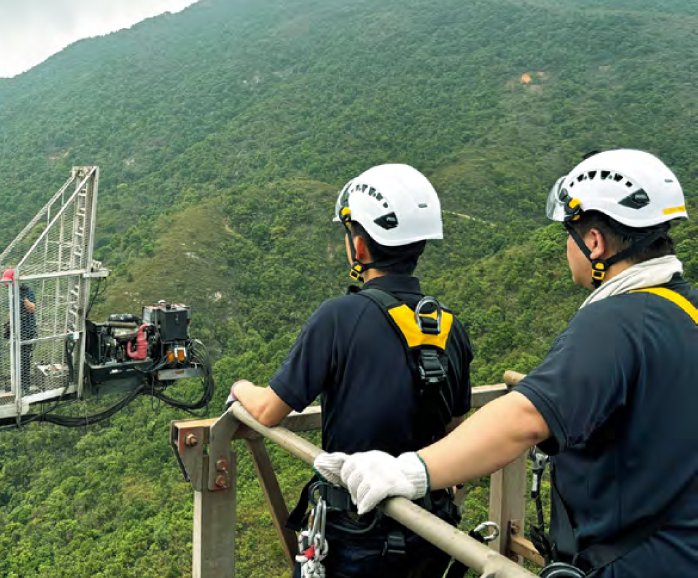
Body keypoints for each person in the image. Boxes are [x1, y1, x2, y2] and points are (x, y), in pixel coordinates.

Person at [315, 149, 698, 578]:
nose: (567, 248)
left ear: (594, 243)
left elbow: (526, 416)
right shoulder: (685, 307)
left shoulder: (617, 321)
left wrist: (408, 471)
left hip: (639, 563)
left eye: (568, 235)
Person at [230, 164, 474, 578]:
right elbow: (454, 425)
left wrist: (241, 387)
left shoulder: (339, 317)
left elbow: (270, 411)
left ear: (358, 247)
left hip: (356, 532)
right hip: (430, 529)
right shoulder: (449, 326)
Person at [1, 269, 38, 393]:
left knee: (24, 359)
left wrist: (25, 300)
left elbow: (33, 308)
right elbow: (11, 310)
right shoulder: (11, 292)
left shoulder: (27, 291)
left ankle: (24, 386)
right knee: (15, 358)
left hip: (27, 329)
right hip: (16, 330)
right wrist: (8, 324)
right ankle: (16, 383)